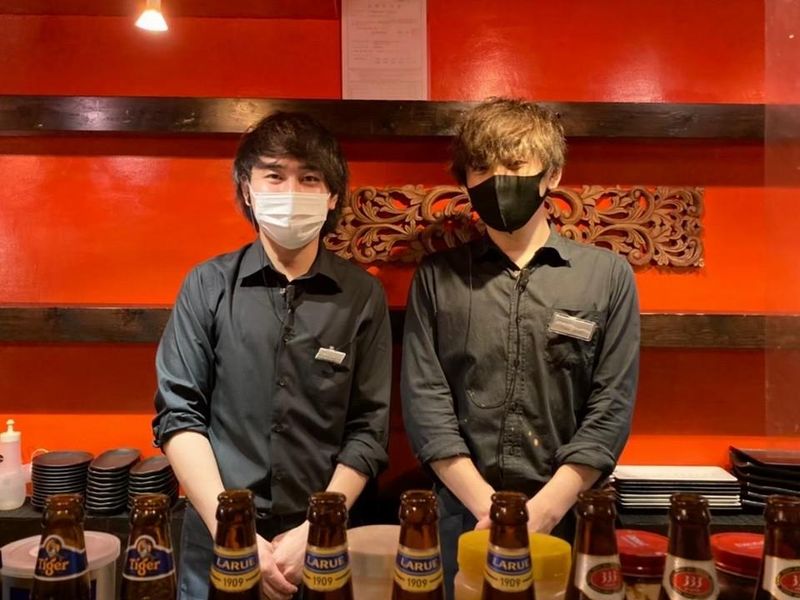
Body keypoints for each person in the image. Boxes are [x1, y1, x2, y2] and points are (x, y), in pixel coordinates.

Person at [400, 98, 640, 598]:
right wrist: (491, 510)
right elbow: (426, 403)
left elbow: (611, 407)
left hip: (570, 519)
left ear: (551, 175)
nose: (498, 180)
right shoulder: (438, 277)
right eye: (482, 168)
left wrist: (546, 509)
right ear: (465, 181)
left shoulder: (608, 276)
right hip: (462, 517)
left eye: (514, 165)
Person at [153, 111, 391, 600]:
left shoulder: (362, 296)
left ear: (332, 196)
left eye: (309, 178)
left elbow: (369, 428)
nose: (291, 192)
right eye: (274, 176)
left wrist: (319, 528)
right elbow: (179, 415)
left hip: (322, 540)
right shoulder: (207, 285)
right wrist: (232, 530)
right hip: (215, 531)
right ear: (248, 189)